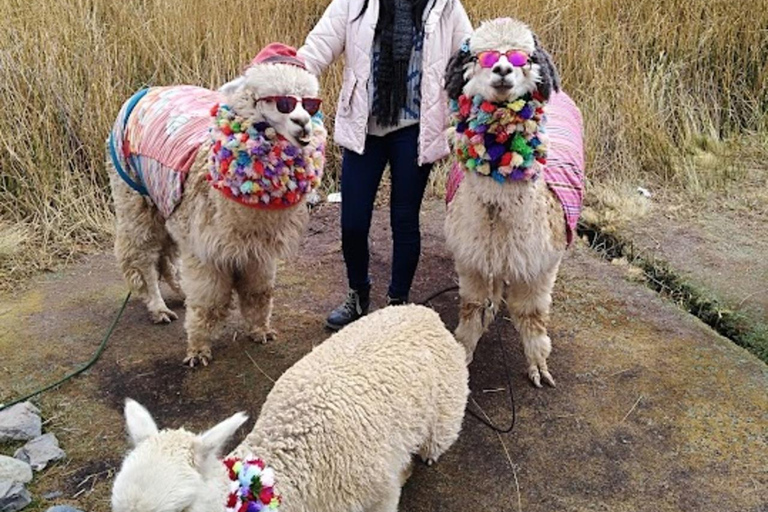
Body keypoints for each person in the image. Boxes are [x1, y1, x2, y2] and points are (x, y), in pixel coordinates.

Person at [297, 0, 472, 330]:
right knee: (352, 221)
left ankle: (397, 303)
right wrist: (285, 78)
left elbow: (468, 59)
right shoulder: (353, 3)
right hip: (364, 126)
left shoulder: (445, 6)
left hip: (415, 129)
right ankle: (357, 295)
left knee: (404, 220)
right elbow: (318, 47)